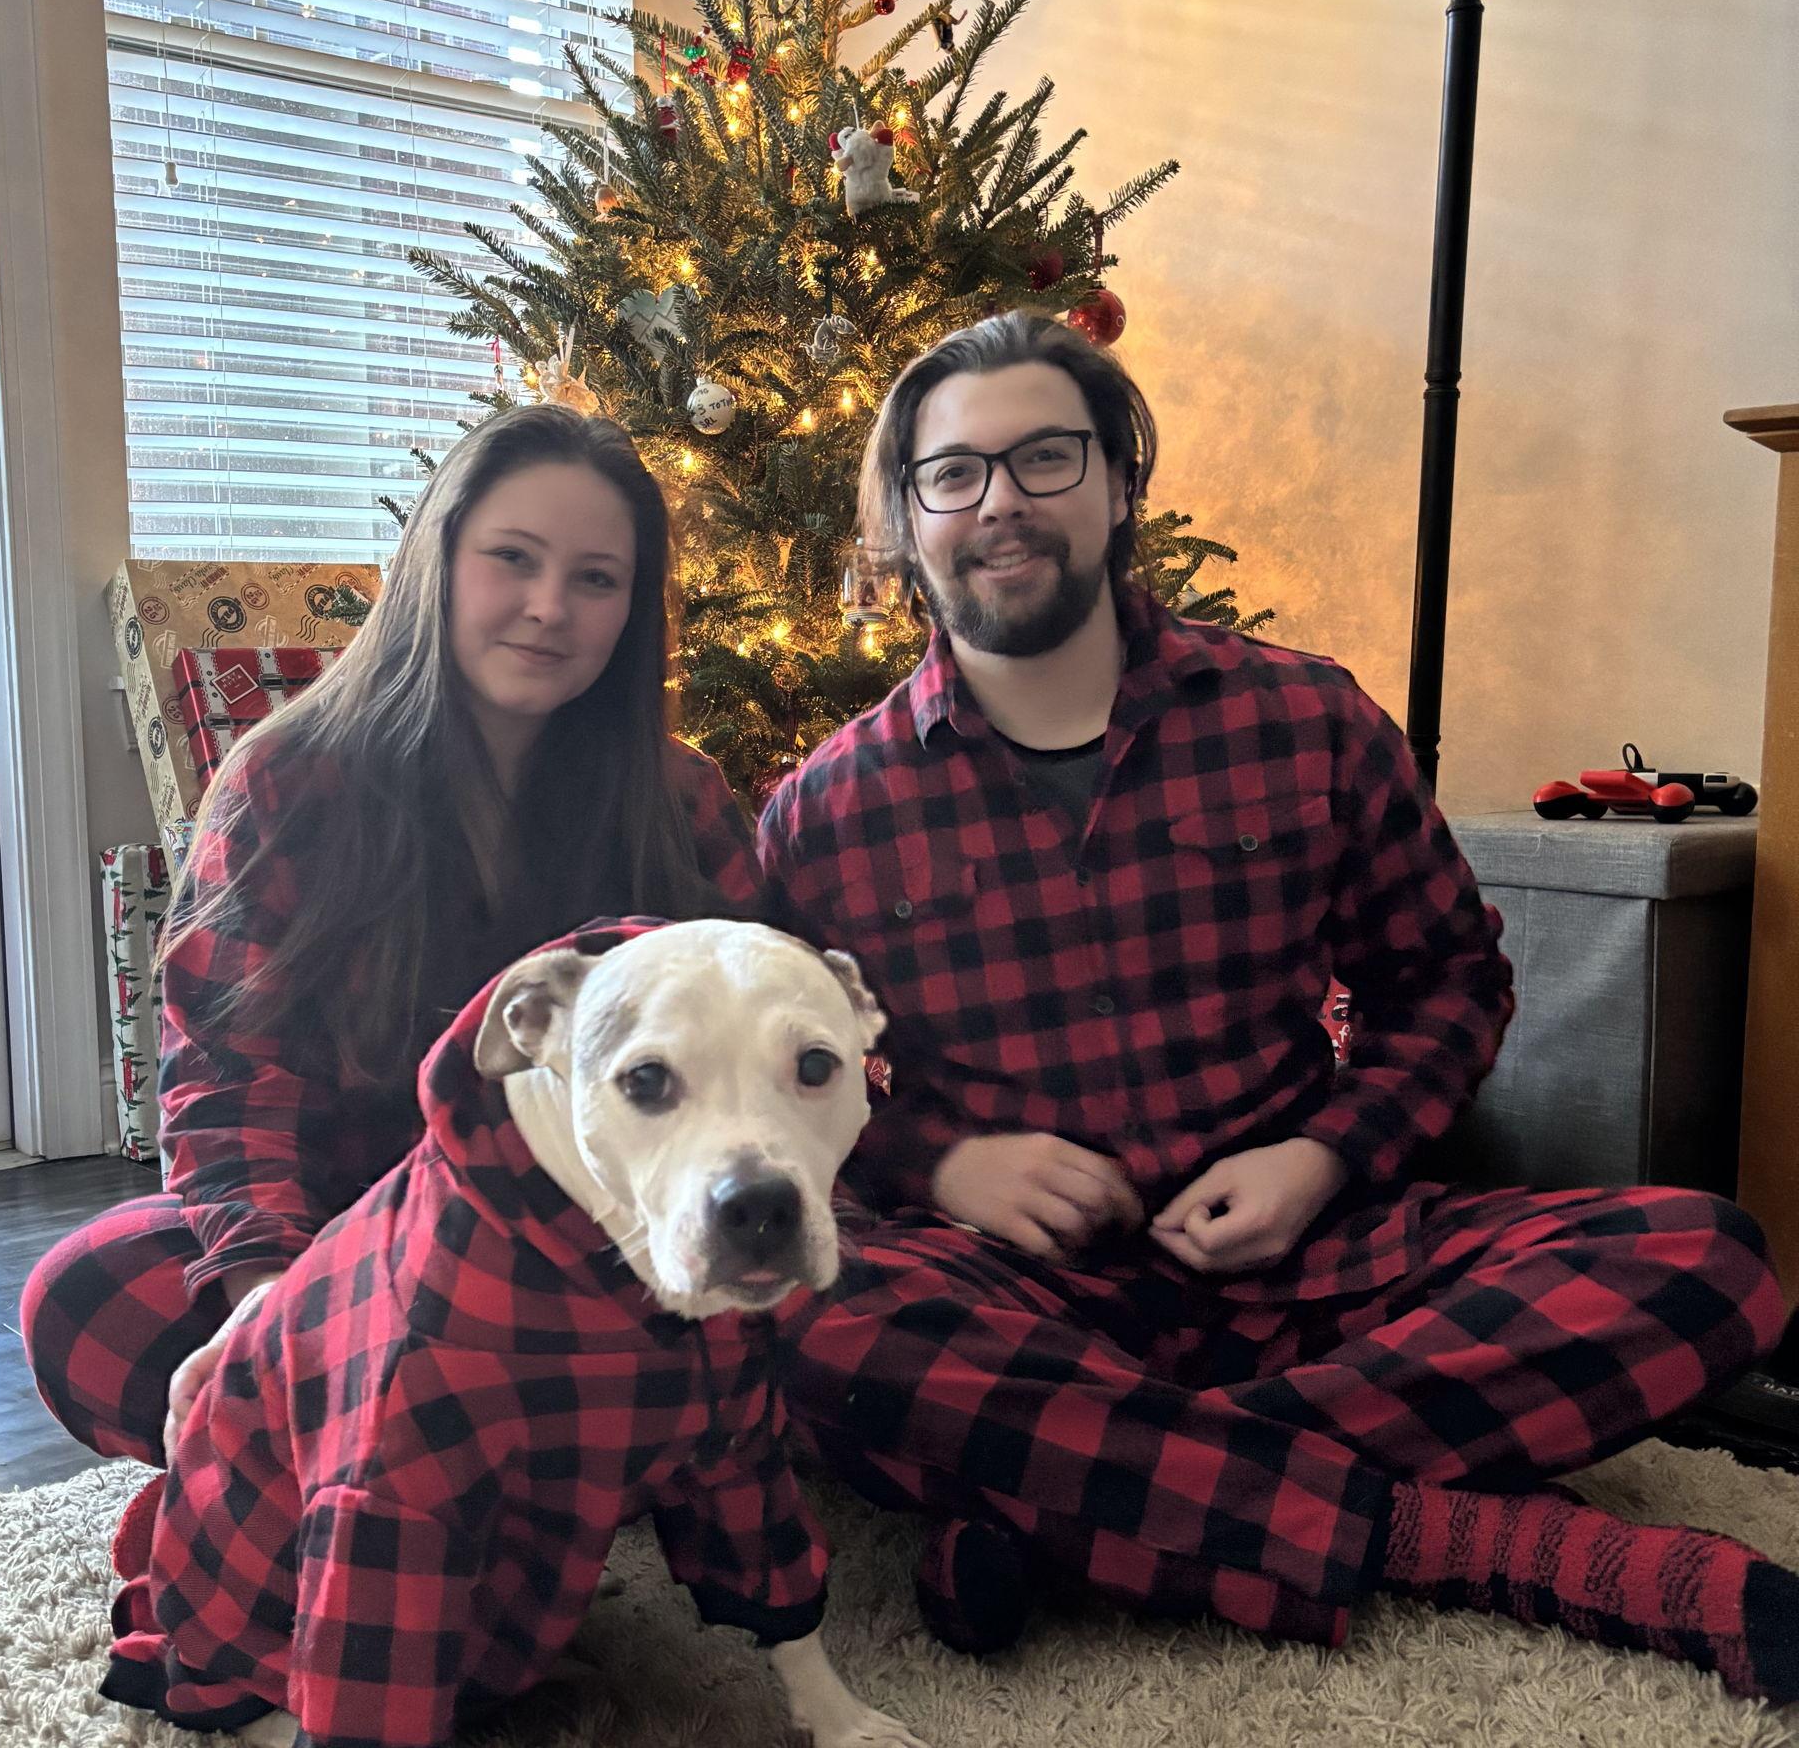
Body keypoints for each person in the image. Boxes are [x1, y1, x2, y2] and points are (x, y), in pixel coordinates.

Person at [758, 310, 1796, 1702]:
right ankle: (1478, 1539)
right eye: (952, 474)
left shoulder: (1305, 719)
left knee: (1708, 1261)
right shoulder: (824, 809)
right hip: (1021, 1292)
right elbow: (774, 1090)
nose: (998, 500)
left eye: (1044, 456)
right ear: (905, 518)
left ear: (1120, 481)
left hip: (1325, 1262)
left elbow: (1447, 981)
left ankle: (1065, 1500)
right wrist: (944, 1162)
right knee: (814, 1319)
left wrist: (1319, 1159)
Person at [22, 405, 760, 1466]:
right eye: (512, 558)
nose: (548, 608)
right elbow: (231, 1076)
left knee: (840, 1292)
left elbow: (760, 1054)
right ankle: (496, 1458)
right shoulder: (285, 781)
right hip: (348, 1250)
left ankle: (437, 1455)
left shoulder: (679, 800)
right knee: (88, 1302)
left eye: (596, 580)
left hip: (606, 1246)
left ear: (632, 609)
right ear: (436, 559)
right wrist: (268, 1297)